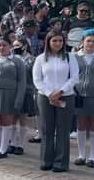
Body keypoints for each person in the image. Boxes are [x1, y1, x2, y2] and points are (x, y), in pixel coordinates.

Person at [33, 30, 79, 172]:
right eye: (54, 41)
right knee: (47, 129)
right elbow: (37, 79)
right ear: (48, 42)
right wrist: (49, 93)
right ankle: (46, 161)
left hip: (66, 96)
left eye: (60, 41)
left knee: (63, 129)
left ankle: (60, 162)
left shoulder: (70, 57)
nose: (58, 43)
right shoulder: (41, 58)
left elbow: (75, 77)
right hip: (45, 97)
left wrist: (60, 91)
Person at [11, 37, 37, 154]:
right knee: (12, 118)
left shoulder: (32, 59)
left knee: (22, 118)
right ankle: (12, 143)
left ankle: (20, 145)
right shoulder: (12, 58)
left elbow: (35, 77)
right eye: (14, 45)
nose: (15, 48)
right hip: (13, 90)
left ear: (25, 46)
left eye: (18, 45)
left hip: (26, 91)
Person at [74, 29, 94, 168]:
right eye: (88, 40)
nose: (91, 43)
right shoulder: (74, 57)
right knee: (81, 125)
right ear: (82, 42)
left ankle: (92, 156)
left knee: (93, 126)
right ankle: (81, 155)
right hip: (79, 95)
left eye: (93, 41)